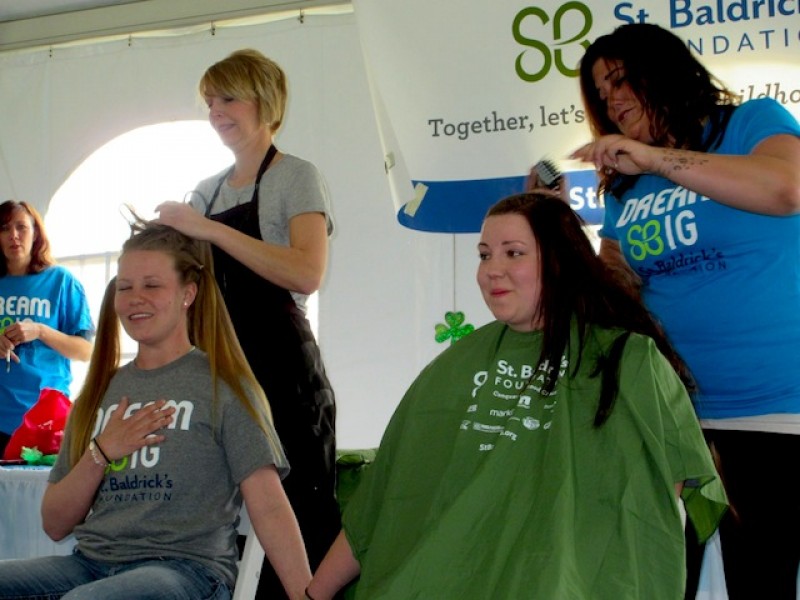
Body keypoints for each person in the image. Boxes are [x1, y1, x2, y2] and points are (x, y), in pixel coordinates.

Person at [305, 193, 727, 600]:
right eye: (485, 254)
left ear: (560, 261)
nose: (492, 270)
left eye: (514, 253)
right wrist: (313, 594)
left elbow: (653, 513)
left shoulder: (628, 360)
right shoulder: (456, 366)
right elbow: (385, 500)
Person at [570, 22, 800, 600]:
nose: (612, 101)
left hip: (779, 408)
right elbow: (617, 292)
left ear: (667, 73)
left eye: (621, 81)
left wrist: (654, 158)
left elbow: (785, 189)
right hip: (684, 419)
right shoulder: (626, 188)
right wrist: (559, 235)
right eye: (601, 94)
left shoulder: (751, 123)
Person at [0, 220, 311, 600]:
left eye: (152, 285)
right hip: (91, 565)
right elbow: (54, 523)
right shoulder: (100, 391)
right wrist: (102, 452)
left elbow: (270, 507)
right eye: (126, 287)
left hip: (188, 571)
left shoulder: (224, 387)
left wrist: (306, 596)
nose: (135, 298)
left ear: (188, 293)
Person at [155, 48, 339, 599]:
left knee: (301, 505)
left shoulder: (297, 177)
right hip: (220, 370)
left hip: (284, 369)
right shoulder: (205, 193)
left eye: (228, 98)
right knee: (226, 510)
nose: (216, 111)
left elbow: (307, 272)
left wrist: (209, 232)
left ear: (265, 102)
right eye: (210, 101)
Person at [0, 199, 93, 457]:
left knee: (41, 496)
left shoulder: (61, 282)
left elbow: (85, 351)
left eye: (22, 227)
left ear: (36, 233)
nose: (13, 236)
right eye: (5, 228)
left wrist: (40, 330)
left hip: (46, 419)